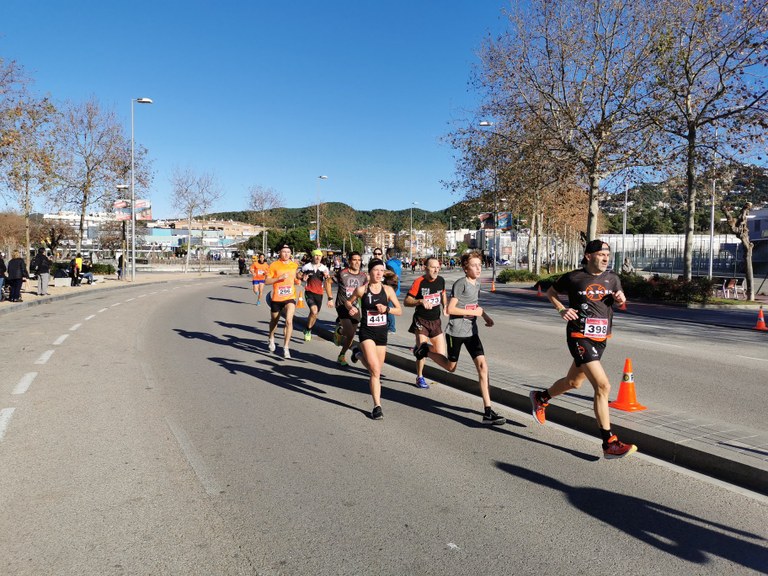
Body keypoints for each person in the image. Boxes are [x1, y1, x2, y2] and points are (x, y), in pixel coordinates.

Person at [529, 239, 637, 459]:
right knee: (603, 386)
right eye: (601, 254)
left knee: (574, 382)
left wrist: (620, 299)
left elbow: (620, 300)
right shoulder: (573, 277)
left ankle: (541, 398)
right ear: (589, 256)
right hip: (579, 335)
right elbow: (550, 292)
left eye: (608, 254)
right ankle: (609, 443)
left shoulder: (613, 278)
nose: (606, 258)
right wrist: (561, 309)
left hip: (601, 337)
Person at [414, 251, 506, 426]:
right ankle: (425, 350)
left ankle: (488, 411)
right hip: (456, 333)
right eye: (474, 265)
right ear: (465, 268)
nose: (478, 268)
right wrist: (474, 312)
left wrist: (485, 316)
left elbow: (475, 305)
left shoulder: (476, 284)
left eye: (480, 265)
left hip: (472, 332)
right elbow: (450, 310)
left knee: (483, 367)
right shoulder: (460, 284)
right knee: (451, 367)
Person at [347, 258, 402, 420]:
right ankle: (377, 406)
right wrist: (352, 309)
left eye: (381, 271)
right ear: (369, 272)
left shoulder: (388, 290)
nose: (379, 273)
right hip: (367, 332)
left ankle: (357, 354)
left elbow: (399, 311)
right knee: (375, 371)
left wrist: (387, 309)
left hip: (381, 334)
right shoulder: (362, 290)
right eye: (376, 270)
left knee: (376, 369)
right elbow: (348, 302)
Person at [404, 256, 447, 389]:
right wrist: (420, 301)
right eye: (433, 267)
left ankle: (420, 349)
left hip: (436, 321)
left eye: (438, 267)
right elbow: (406, 301)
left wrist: (445, 306)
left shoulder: (441, 280)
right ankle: (420, 377)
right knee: (422, 347)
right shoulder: (419, 282)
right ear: (425, 268)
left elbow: (443, 294)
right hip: (421, 320)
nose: (436, 270)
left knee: (440, 353)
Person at [332, 251, 368, 367]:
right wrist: (329, 298)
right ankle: (341, 331)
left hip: (355, 307)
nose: (357, 262)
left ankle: (341, 355)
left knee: (351, 336)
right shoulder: (342, 273)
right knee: (350, 332)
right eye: (354, 260)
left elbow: (366, 291)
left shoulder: (363, 276)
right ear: (349, 261)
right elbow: (328, 282)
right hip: (342, 305)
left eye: (359, 260)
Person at [264, 244, 300, 359]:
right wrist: (278, 278)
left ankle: (286, 347)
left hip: (290, 297)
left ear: (291, 254)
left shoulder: (294, 265)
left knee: (289, 321)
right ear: (280, 253)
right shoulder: (274, 265)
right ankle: (271, 337)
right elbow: (267, 281)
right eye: (284, 252)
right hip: (277, 298)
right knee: (274, 320)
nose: (286, 254)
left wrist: (299, 279)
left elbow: (295, 280)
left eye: (288, 252)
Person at [298, 249, 333, 341]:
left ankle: (307, 328)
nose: (317, 257)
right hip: (309, 291)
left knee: (315, 314)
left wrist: (327, 277)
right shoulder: (306, 267)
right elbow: (298, 275)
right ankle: (309, 330)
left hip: (319, 293)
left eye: (319, 256)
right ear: (313, 256)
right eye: (316, 255)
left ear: (321, 257)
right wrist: (302, 278)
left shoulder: (324, 268)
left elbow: (328, 281)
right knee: (313, 311)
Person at [383, 247, 402, 334]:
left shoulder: (389, 264)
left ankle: (391, 328)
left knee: (389, 308)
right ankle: (389, 326)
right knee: (391, 307)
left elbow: (391, 276)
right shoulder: (397, 263)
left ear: (388, 255)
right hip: (396, 288)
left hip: (391, 288)